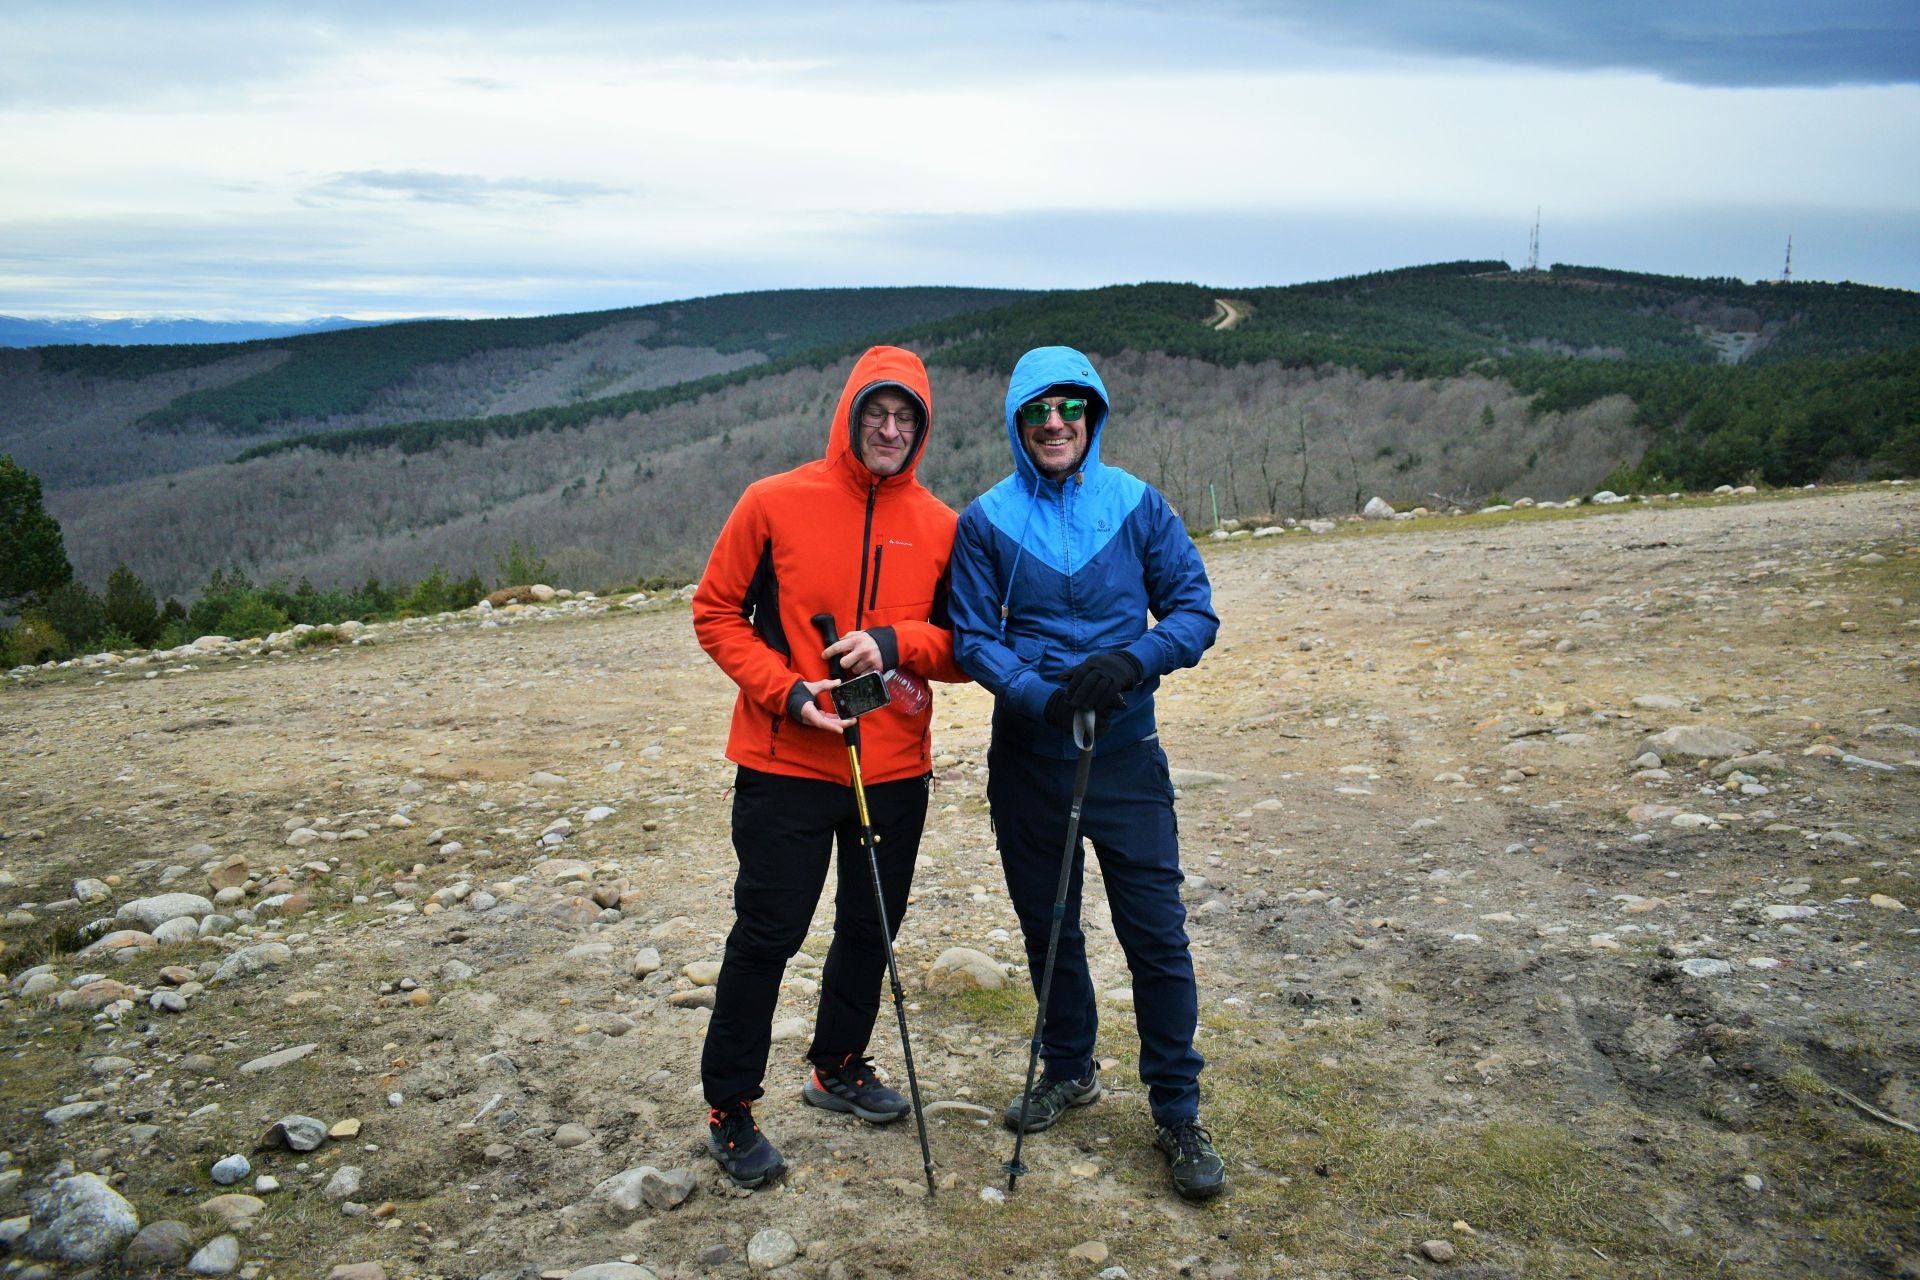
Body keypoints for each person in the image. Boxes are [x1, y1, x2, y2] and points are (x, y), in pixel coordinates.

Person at [947, 344, 1226, 1202]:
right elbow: (971, 635)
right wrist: (1037, 697)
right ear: (1017, 423)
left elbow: (1195, 611)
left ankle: (1177, 1108)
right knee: (1050, 926)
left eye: (1070, 408)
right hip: (1031, 760)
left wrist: (1132, 661)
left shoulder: (1137, 504)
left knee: (1156, 936)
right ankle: (1070, 1067)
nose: (1055, 423)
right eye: (1038, 411)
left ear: (1093, 415)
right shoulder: (985, 519)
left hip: (1126, 757)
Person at [690, 344, 968, 1189]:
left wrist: (894, 643)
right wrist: (784, 691)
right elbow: (714, 611)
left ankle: (837, 1065)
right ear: (850, 417)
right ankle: (729, 1107)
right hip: (786, 763)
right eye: (876, 414)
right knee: (770, 933)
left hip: (892, 767)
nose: (889, 430)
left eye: (906, 418)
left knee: (869, 925)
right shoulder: (772, 501)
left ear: (921, 430)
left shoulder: (942, 524)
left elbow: (962, 650)